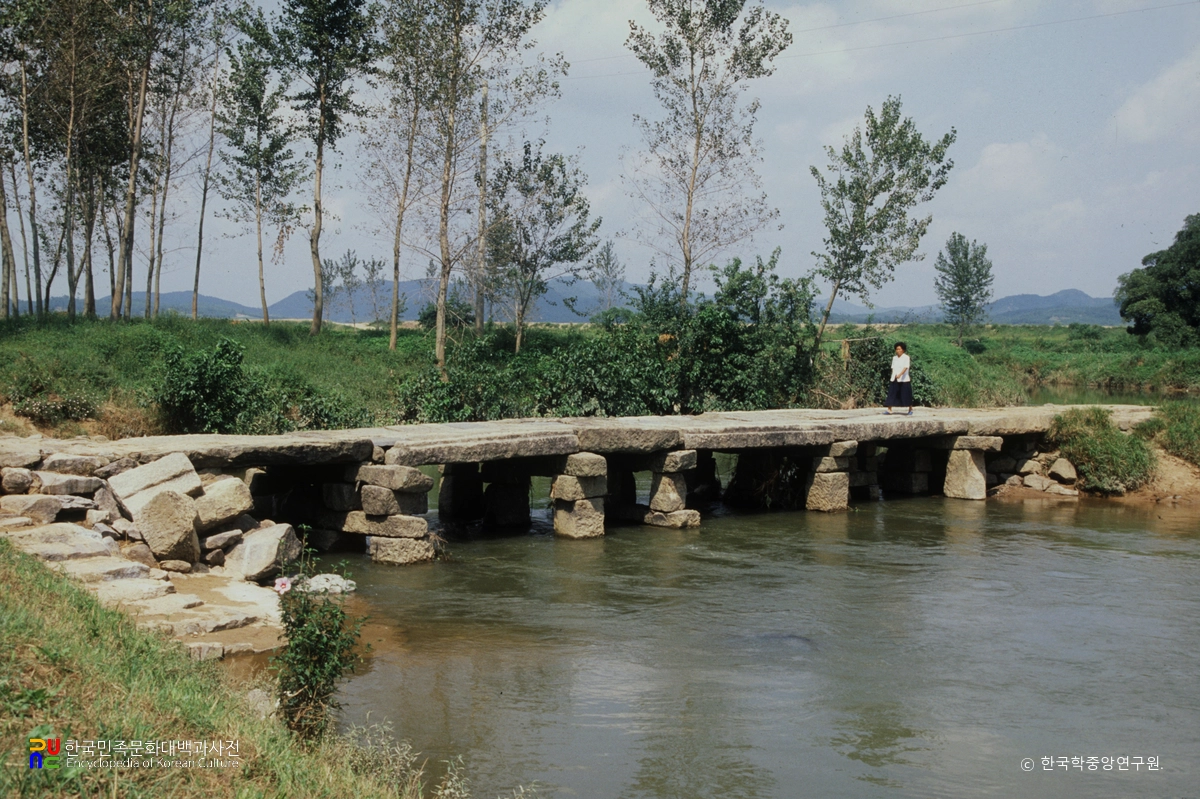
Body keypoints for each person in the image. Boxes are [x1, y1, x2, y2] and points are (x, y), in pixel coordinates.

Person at [885, 342, 913, 415]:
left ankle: (910, 409)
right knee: (892, 393)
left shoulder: (906, 357)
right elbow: (893, 367)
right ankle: (889, 409)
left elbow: (906, 367)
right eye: (897, 349)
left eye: (899, 349)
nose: (898, 351)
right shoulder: (894, 358)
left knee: (906, 394)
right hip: (895, 378)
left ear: (903, 350)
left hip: (904, 379)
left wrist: (900, 374)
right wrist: (894, 375)